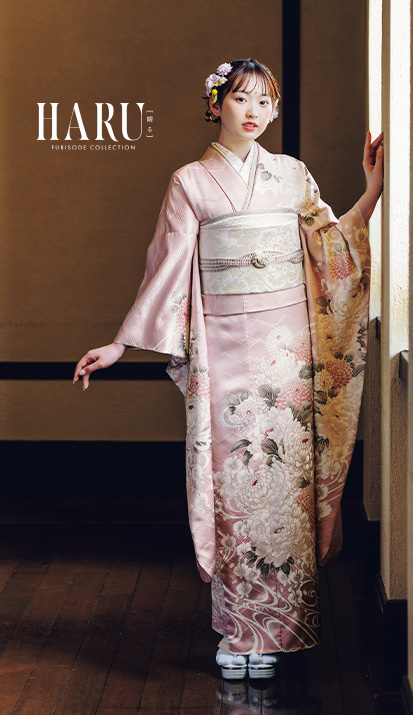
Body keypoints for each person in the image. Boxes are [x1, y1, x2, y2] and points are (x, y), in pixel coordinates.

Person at [73, 58, 383, 681]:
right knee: (237, 481)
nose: (253, 111)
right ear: (216, 104)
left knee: (286, 481)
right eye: (240, 97)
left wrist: (371, 191)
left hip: (288, 350)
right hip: (224, 349)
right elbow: (167, 268)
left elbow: (330, 248)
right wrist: (121, 344)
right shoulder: (190, 181)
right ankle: (240, 632)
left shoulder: (292, 175)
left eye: (264, 101)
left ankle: (280, 633)